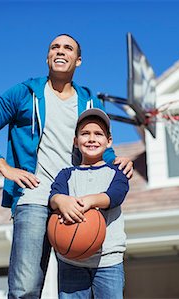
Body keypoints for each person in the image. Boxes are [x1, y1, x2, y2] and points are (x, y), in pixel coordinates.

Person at [0, 34, 133, 299]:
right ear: (47, 57)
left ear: (77, 60)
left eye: (68, 48)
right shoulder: (24, 93)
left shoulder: (89, 101)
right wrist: (4, 168)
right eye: (54, 47)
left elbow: (101, 146)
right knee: (26, 287)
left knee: (75, 281)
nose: (60, 51)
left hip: (73, 200)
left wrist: (117, 161)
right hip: (33, 196)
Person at [49, 108, 129, 299]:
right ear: (75, 142)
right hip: (71, 260)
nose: (91, 138)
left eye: (98, 134)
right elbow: (53, 198)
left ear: (109, 141)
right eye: (85, 134)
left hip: (108, 260)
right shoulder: (67, 174)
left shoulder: (116, 172)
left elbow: (116, 195)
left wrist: (89, 201)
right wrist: (61, 200)